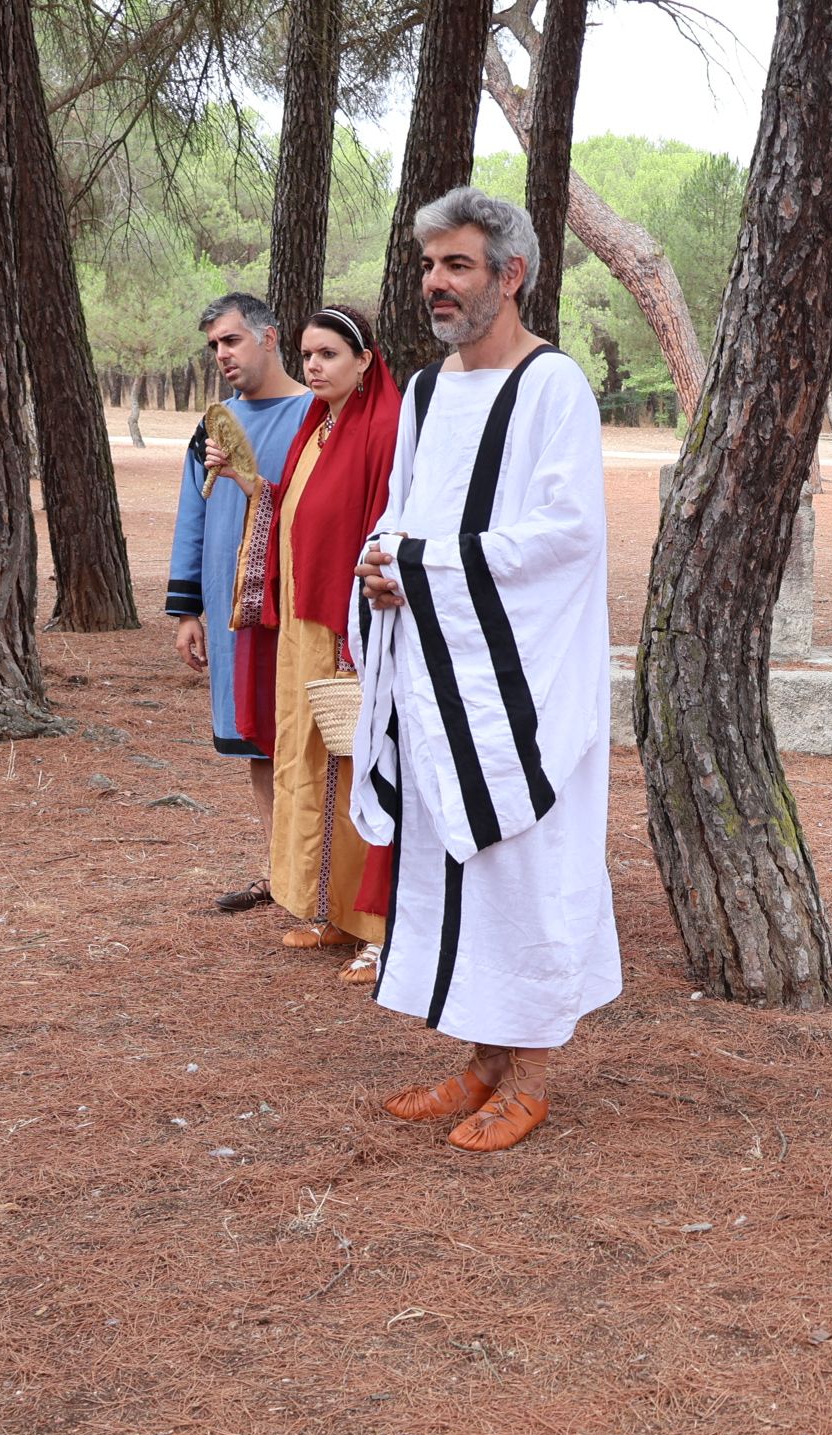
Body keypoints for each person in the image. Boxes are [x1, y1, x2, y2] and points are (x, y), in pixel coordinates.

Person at [350, 187, 622, 1154]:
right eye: (430, 266)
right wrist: (382, 565)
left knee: (526, 862)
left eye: (458, 265)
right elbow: (402, 509)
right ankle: (482, 1061)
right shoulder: (427, 391)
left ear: (510, 274)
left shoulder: (556, 388)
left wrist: (423, 563)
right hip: (438, 670)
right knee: (449, 858)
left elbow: (567, 535)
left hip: (524, 684)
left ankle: (533, 1077)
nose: (436, 284)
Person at [213, 305, 398, 983]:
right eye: (308, 355)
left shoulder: (385, 428)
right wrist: (246, 483)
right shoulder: (316, 430)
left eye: (328, 355)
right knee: (311, 764)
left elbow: (388, 529)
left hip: (349, 628)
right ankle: (333, 911)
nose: (314, 366)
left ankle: (381, 931)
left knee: (359, 769)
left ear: (364, 361)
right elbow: (292, 506)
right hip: (302, 627)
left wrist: (363, 635)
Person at [168, 293, 312, 911]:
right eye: (215, 346)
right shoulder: (213, 424)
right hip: (230, 613)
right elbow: (192, 516)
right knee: (253, 738)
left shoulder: (317, 414)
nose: (222, 355)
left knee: (305, 736)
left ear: (269, 336)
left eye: (231, 340)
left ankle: (316, 875)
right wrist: (185, 611)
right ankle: (278, 872)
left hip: (299, 605)